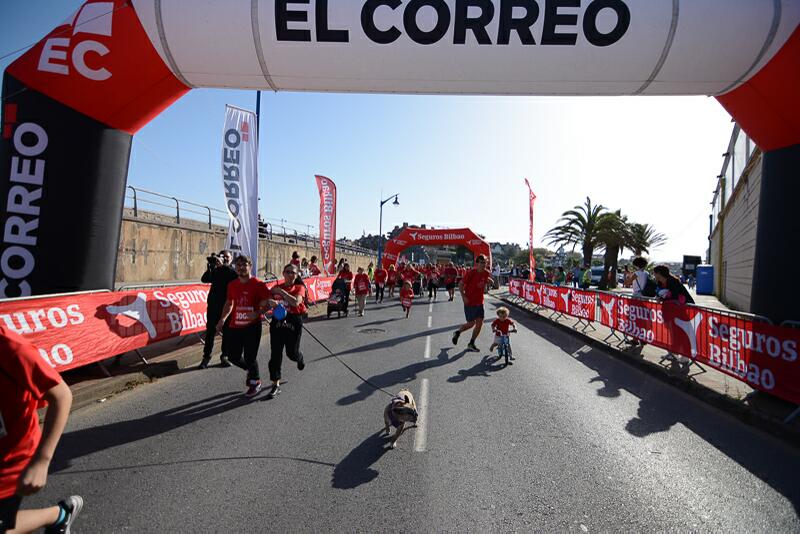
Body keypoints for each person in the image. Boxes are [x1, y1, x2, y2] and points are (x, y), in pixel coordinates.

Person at [0, 326, 84, 534]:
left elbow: (62, 395)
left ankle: (58, 515)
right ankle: (59, 517)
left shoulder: (10, 347)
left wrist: (42, 461)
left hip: (10, 460)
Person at [216, 255, 270, 397]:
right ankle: (250, 371)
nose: (240, 267)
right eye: (238, 265)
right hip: (235, 326)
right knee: (233, 356)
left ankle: (255, 382)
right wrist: (222, 319)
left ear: (250, 266)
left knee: (250, 357)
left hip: (252, 327)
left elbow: (268, 301)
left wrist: (258, 312)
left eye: (244, 264)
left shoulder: (258, 284)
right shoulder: (232, 285)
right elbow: (229, 303)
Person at [265, 264, 307, 399]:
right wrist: (271, 302)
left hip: (293, 321)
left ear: (296, 275)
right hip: (277, 321)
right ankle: (275, 383)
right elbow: (265, 302)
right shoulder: (275, 288)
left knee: (291, 353)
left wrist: (282, 293)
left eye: (293, 273)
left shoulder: (299, 287)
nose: (290, 275)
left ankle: (299, 357)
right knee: (275, 354)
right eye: (287, 272)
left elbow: (295, 302)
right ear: (283, 273)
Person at [199, 249, 237, 369]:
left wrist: (223, 266)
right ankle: (206, 357)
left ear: (231, 259)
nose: (225, 259)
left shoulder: (232, 271)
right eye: (223, 256)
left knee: (227, 332)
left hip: (227, 306)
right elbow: (204, 279)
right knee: (210, 332)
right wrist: (210, 267)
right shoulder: (215, 270)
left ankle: (224, 356)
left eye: (227, 257)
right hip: (214, 306)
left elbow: (235, 278)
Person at [452, 254, 494, 352]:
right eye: (482, 263)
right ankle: (458, 332)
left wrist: (490, 282)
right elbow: (460, 284)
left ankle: (471, 343)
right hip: (470, 301)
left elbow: (486, 279)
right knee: (471, 323)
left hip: (480, 302)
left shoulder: (486, 273)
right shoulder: (471, 273)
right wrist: (463, 297)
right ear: (477, 263)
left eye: (485, 263)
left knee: (479, 323)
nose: (484, 264)